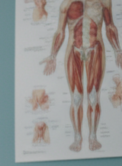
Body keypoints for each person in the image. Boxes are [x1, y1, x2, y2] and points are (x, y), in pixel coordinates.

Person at [41, 0, 122, 152]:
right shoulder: (66, 4)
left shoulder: (104, 1)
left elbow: (109, 26)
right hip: (73, 51)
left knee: (93, 97)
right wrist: (52, 55)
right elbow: (60, 31)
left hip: (96, 50)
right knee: (77, 98)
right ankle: (78, 138)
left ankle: (92, 137)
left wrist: (118, 50)